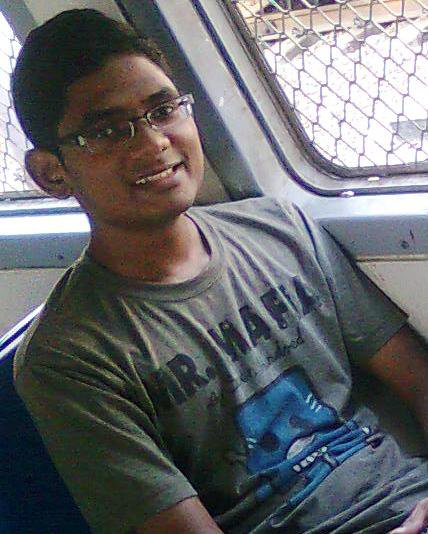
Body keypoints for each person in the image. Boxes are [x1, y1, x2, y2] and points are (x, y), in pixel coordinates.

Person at [11, 9, 428, 534]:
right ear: (51, 173)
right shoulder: (68, 359)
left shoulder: (279, 228)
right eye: (108, 131)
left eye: (163, 109)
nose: (154, 142)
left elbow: (417, 379)